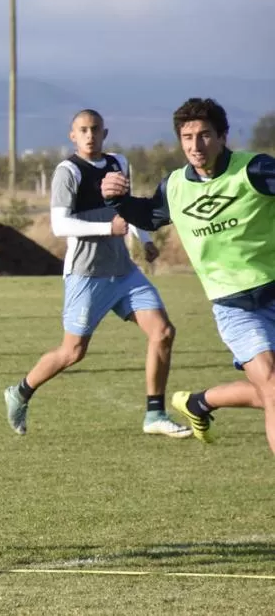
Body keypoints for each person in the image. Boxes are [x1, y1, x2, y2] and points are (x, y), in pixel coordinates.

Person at [3, 110, 191, 438]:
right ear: (72, 135)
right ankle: (20, 392)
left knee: (162, 332)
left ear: (105, 132)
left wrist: (144, 238)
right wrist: (109, 228)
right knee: (73, 352)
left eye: (95, 130)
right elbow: (60, 225)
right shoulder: (68, 171)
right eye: (83, 130)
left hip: (124, 272)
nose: (90, 135)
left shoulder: (119, 162)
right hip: (86, 274)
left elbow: (126, 208)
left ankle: (154, 413)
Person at [102, 97, 275, 453]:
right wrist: (117, 201)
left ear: (223, 136)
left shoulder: (255, 170)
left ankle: (201, 402)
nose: (195, 146)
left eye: (205, 135)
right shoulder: (176, 185)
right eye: (187, 137)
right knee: (272, 387)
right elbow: (151, 216)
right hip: (235, 306)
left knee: (268, 393)